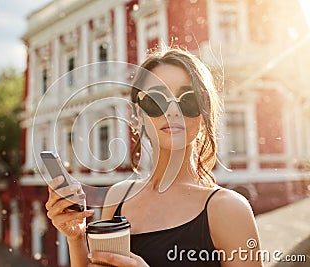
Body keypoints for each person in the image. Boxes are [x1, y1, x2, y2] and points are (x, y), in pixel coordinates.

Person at [45, 47, 263, 267]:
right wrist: (76, 238)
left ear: (204, 111)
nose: (173, 110)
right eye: (156, 99)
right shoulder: (117, 198)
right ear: (138, 114)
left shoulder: (228, 210)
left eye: (188, 99)